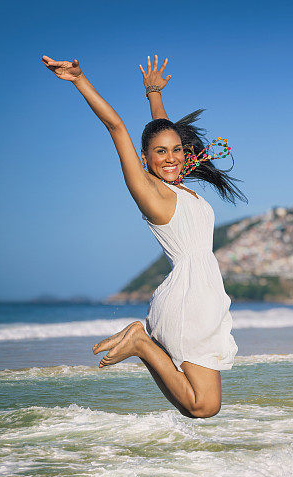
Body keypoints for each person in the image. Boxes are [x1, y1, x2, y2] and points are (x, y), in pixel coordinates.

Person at [41, 54, 245, 418]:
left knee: (201, 405)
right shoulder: (151, 193)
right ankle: (139, 341)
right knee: (202, 406)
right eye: (160, 153)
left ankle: (141, 341)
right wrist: (79, 80)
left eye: (177, 150)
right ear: (144, 158)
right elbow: (117, 127)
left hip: (203, 294)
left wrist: (153, 93)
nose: (171, 158)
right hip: (189, 300)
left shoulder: (179, 186)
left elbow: (162, 130)